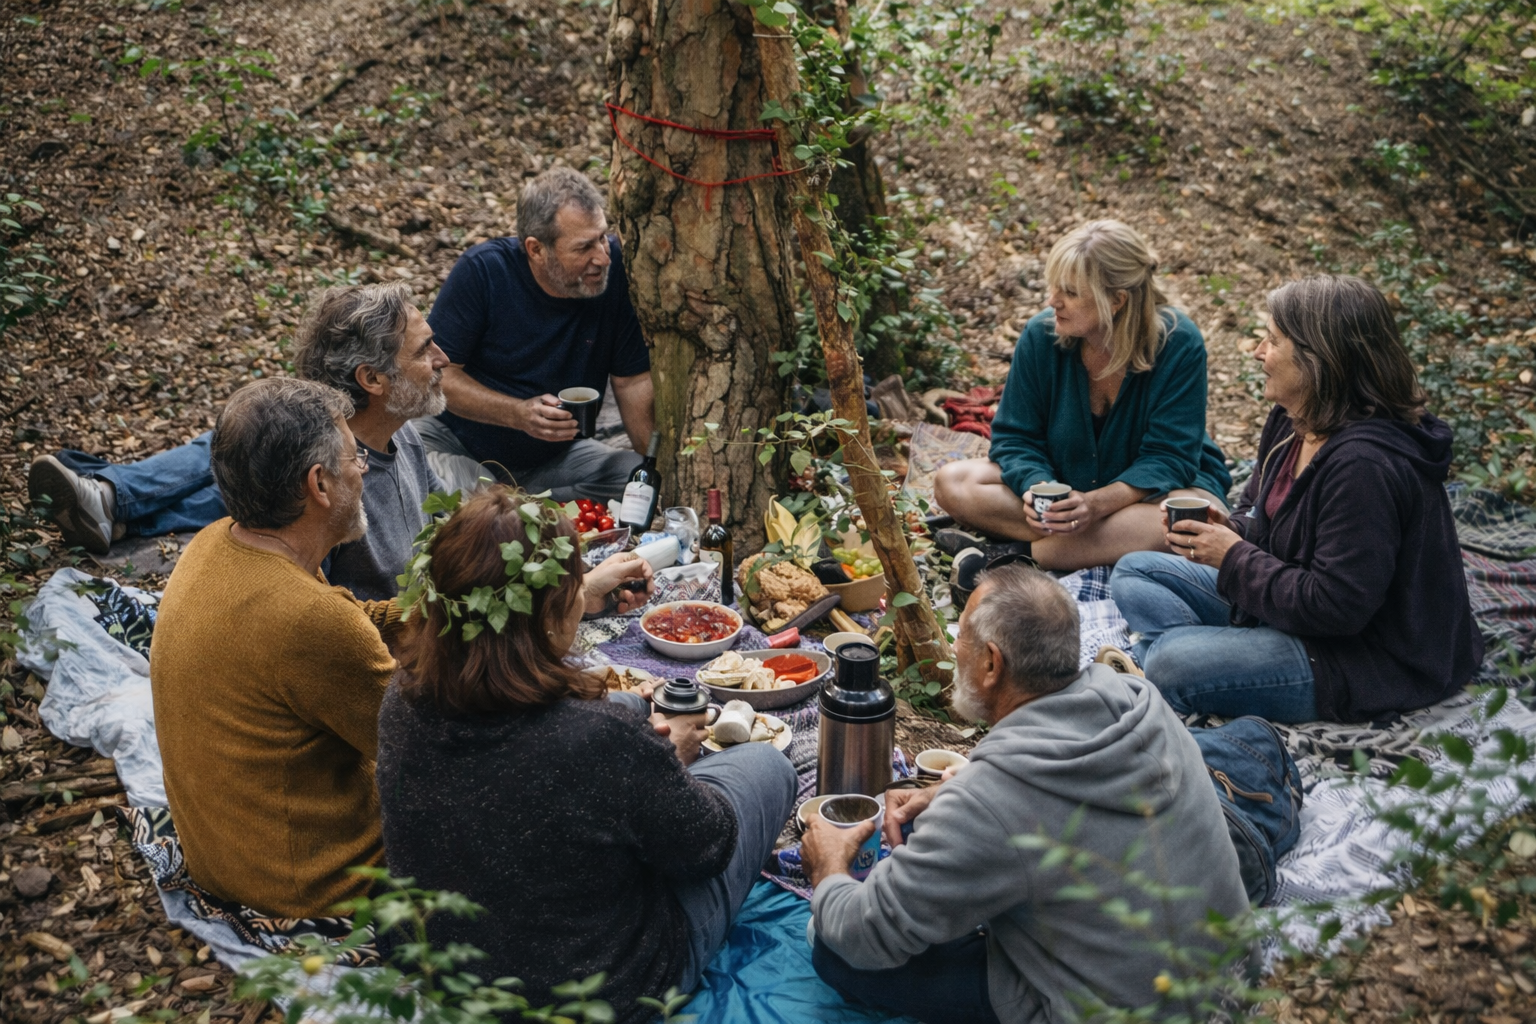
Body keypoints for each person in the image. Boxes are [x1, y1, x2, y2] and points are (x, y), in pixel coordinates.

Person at [375, 486, 795, 1021]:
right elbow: (705, 848)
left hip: (437, 966)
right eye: (573, 589)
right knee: (766, 767)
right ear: (553, 613)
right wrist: (672, 760)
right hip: (599, 989)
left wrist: (623, 706)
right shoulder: (598, 738)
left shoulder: (403, 693)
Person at [801, 562, 1248, 1024]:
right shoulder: (1140, 699)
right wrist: (958, 792)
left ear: (991, 663)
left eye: (962, 645)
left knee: (829, 943)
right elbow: (1048, 796)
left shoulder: (989, 800)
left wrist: (828, 866)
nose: (957, 654)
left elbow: (867, 935)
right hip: (1228, 983)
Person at [1110, 275, 1483, 723]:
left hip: (1360, 657)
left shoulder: (1364, 467)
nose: (1257, 352)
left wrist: (1233, 559)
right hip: (1288, 606)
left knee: (1172, 662)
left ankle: (1174, 659)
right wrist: (1234, 529)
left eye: (1272, 341)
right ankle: (1208, 656)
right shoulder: (1292, 419)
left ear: (1317, 359)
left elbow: (1337, 608)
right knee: (1134, 570)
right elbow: (1257, 511)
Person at [28, 283, 447, 600]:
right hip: (368, 659)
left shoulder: (403, 434)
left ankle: (115, 506)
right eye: (424, 350)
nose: (443, 358)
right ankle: (113, 500)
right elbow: (303, 608)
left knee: (237, 453)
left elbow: (449, 519)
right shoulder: (330, 483)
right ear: (371, 378)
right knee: (244, 444)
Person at [933, 220, 1230, 590]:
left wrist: (1097, 505)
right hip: (1068, 480)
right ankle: (1080, 543)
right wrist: (1036, 489)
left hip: (1149, 493)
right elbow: (1014, 437)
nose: (1052, 300)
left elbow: (1170, 456)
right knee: (953, 482)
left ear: (1116, 300)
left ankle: (1016, 555)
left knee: (1190, 520)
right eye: (1053, 286)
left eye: (1069, 292)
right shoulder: (1041, 335)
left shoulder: (1179, 342)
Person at [416, 166, 655, 500]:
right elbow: (439, 375)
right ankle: (508, 510)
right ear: (536, 249)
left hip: (553, 459)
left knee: (636, 482)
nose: (602, 257)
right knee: (464, 500)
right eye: (583, 247)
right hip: (458, 444)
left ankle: (518, 509)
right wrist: (518, 414)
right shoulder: (483, 272)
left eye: (603, 237)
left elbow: (631, 382)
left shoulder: (613, 277)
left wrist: (655, 472)